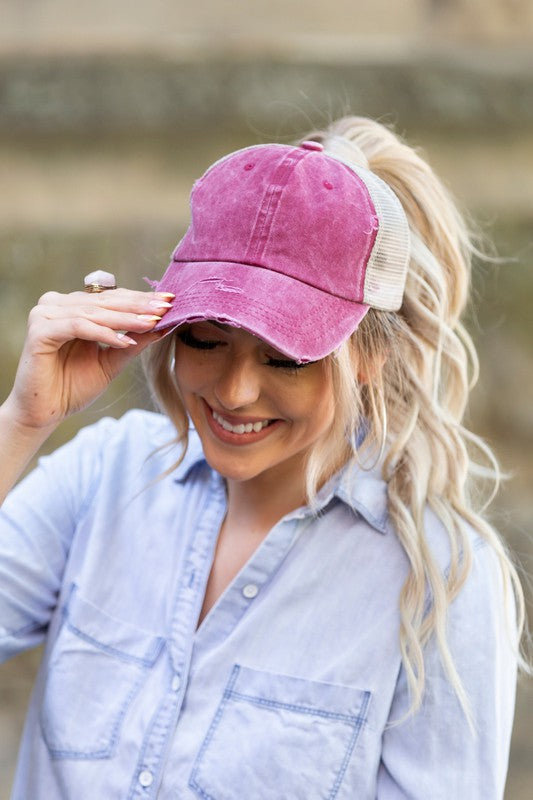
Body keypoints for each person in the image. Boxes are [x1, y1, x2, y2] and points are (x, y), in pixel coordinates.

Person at [0, 116, 526, 799]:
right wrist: (23, 421)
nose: (235, 392)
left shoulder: (439, 579)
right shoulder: (105, 473)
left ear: (368, 354)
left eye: (286, 357)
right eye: (206, 340)